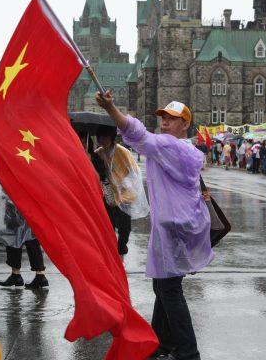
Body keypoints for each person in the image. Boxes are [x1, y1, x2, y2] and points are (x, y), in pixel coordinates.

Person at [97, 93, 213, 360]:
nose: (164, 123)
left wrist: (111, 107)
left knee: (170, 290)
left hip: (174, 229)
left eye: (172, 120)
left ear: (185, 125)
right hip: (172, 227)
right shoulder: (173, 149)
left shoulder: (171, 148)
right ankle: (161, 345)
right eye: (163, 118)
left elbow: (137, 133)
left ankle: (187, 352)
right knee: (163, 287)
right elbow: (140, 138)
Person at [95, 125, 149, 255]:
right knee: (109, 224)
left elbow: (133, 171)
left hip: (125, 194)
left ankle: (122, 243)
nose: (103, 140)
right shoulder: (98, 153)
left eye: (106, 137)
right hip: (108, 195)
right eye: (101, 137)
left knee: (125, 226)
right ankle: (112, 249)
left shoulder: (122, 152)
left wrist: (125, 184)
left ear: (112, 137)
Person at [0, 178, 48, 289]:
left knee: (16, 236)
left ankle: (18, 274)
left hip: (17, 199)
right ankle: (37, 275)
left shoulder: (12, 162)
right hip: (27, 200)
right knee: (28, 237)